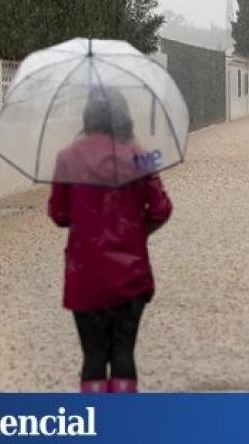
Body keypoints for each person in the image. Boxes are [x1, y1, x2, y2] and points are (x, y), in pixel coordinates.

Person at [48, 87, 172, 394]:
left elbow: (60, 214)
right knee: (123, 353)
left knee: (92, 355)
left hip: (85, 275)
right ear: (124, 116)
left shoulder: (68, 158)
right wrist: (137, 232)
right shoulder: (140, 156)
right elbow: (161, 208)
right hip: (130, 275)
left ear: (88, 116)